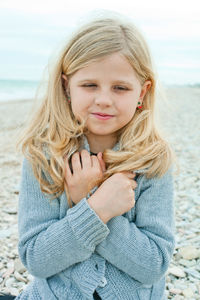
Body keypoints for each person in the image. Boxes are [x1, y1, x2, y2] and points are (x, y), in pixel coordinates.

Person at [2, 13, 177, 300]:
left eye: (120, 87)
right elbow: (35, 258)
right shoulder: (43, 154)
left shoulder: (153, 160)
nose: (104, 99)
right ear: (66, 86)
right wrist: (96, 206)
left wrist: (88, 200)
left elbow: (154, 264)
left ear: (142, 92)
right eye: (89, 85)